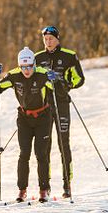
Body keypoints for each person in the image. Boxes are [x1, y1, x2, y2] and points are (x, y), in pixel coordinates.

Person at [0, 47, 54, 203]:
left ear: (34, 63)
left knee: (41, 153)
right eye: (23, 67)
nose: (27, 70)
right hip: (24, 118)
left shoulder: (42, 74)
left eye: (30, 66)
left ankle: (44, 189)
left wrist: (54, 79)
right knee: (24, 153)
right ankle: (22, 190)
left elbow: (57, 90)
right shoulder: (14, 75)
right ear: (19, 66)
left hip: (43, 117)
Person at [34, 26, 85, 198]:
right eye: (45, 39)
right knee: (45, 145)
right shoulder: (37, 58)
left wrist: (66, 84)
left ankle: (67, 184)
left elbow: (80, 79)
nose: (48, 42)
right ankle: (45, 185)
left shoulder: (69, 56)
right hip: (44, 106)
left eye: (51, 38)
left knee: (64, 143)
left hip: (62, 104)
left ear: (57, 39)